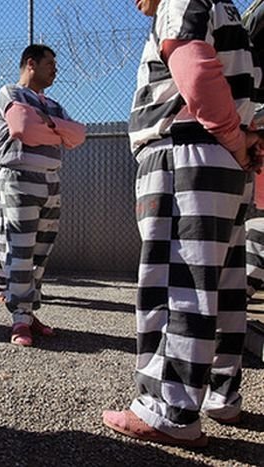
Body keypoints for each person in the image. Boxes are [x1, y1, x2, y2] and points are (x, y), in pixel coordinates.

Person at [102, 0, 263, 448]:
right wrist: (242, 139)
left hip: (185, 152)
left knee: (178, 283)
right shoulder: (230, 12)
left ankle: (168, 409)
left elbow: (191, 66)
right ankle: (220, 393)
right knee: (223, 285)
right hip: (226, 161)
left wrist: (231, 135)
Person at [0, 44, 85, 347]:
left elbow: (78, 135)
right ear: (30, 64)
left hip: (51, 182)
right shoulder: (10, 93)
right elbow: (23, 128)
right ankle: (19, 319)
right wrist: (56, 130)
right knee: (21, 250)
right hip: (19, 179)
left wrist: (51, 125)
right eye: (50, 64)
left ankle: (28, 312)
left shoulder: (53, 105)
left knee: (40, 254)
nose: (55, 69)